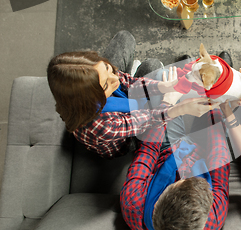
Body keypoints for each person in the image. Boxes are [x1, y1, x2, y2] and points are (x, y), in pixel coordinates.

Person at [47, 31, 213, 158]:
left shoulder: (105, 76)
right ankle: (145, 77)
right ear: (89, 98)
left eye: (107, 68)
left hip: (122, 107)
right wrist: (170, 104)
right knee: (153, 66)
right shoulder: (101, 126)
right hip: (127, 139)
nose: (115, 78)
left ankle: (130, 77)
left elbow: (128, 82)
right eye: (106, 84)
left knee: (124, 38)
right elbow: (147, 120)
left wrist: (163, 86)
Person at [120, 100, 240, 230]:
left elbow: (148, 151)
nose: (183, 174)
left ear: (160, 199)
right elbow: (219, 159)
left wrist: (166, 106)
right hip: (204, 153)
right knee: (214, 105)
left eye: (180, 180)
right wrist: (216, 113)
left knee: (169, 93)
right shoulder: (212, 219)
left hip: (167, 151)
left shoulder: (132, 201)